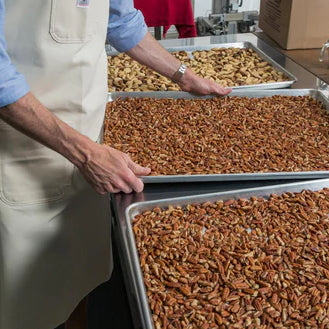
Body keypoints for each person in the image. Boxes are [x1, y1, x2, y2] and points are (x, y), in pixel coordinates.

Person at [0, 0, 231, 328]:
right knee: (25, 298)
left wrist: (184, 76)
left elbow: (121, 20)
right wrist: (85, 154)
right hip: (22, 152)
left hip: (90, 150)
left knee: (78, 281)